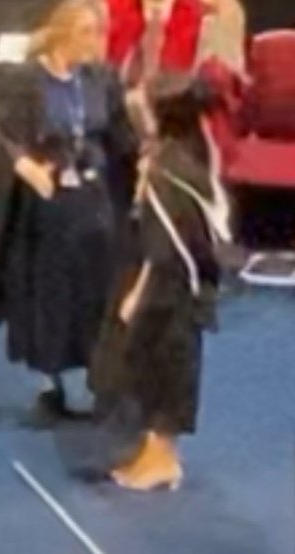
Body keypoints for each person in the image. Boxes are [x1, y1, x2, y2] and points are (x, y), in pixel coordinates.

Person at [0, 0, 138, 424]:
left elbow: (121, 135)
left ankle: (97, 372)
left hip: (94, 196)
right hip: (48, 202)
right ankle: (51, 380)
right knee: (53, 291)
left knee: (97, 285)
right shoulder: (28, 81)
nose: (96, 42)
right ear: (63, 33)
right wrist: (27, 166)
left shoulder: (101, 79)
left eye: (98, 33)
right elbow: (8, 133)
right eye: (87, 32)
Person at [89, 73, 231, 491]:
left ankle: (163, 459)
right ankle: (154, 452)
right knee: (153, 367)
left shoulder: (169, 172)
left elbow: (168, 247)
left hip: (172, 287)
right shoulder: (180, 154)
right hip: (175, 283)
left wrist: (139, 293)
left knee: (166, 366)